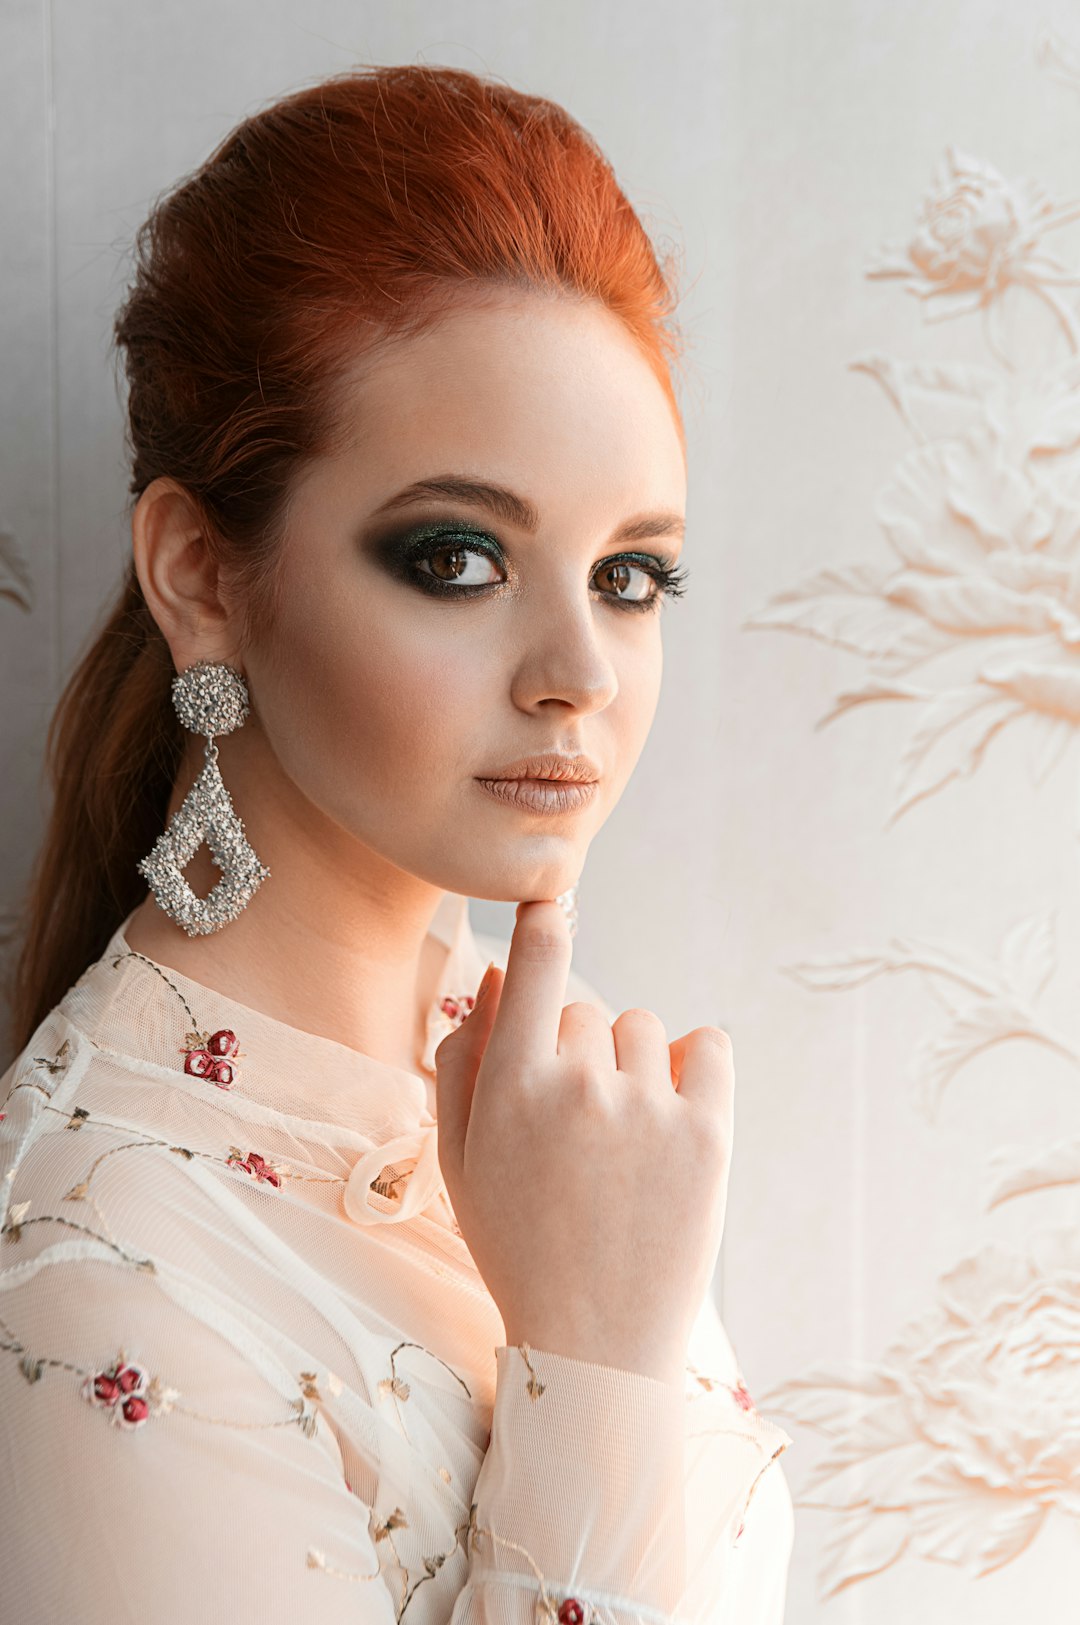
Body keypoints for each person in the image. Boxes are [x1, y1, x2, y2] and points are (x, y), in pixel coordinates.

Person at [0, 62, 793, 1624]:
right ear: (203, 575)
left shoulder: (545, 1117)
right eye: (459, 556)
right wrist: (594, 1356)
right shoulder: (98, 1307)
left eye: (634, 577)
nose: (579, 668)